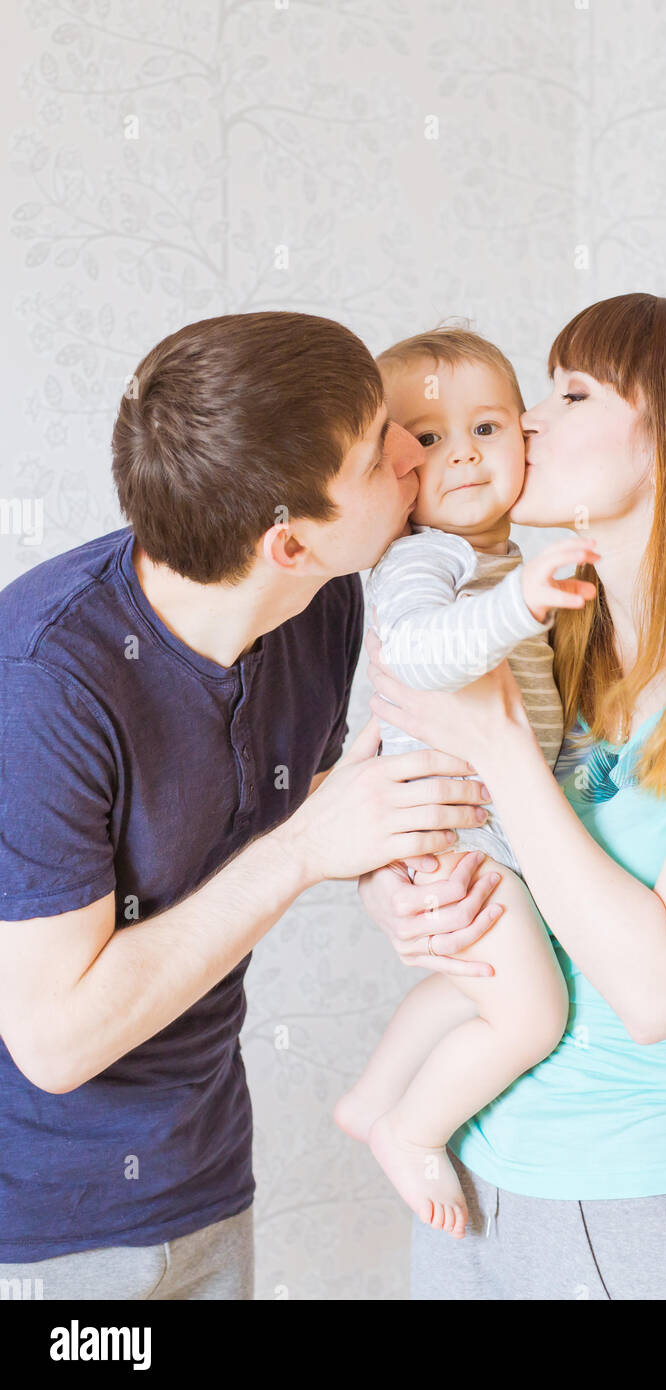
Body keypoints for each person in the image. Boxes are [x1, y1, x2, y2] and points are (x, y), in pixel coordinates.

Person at [358, 293, 666, 1300]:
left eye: (572, 390)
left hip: (645, 1200)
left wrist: (500, 754)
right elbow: (371, 785)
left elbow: (661, 991)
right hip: (472, 1165)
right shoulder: (546, 639)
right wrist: (394, 894)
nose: (528, 418)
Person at [0, 311, 497, 1300]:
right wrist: (315, 848)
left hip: (206, 1167)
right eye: (372, 455)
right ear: (286, 542)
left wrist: (375, 872)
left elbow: (286, 799)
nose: (411, 451)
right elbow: (54, 1040)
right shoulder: (46, 679)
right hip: (47, 1225)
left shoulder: (324, 603)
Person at [335, 327, 597, 1237]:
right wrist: (521, 603)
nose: (466, 455)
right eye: (431, 439)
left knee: (472, 980)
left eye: (487, 426)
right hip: (456, 822)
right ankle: (413, 1130)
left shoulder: (502, 560)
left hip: (483, 820)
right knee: (531, 1014)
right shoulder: (426, 561)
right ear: (397, 471)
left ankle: (373, 1097)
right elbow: (416, 651)